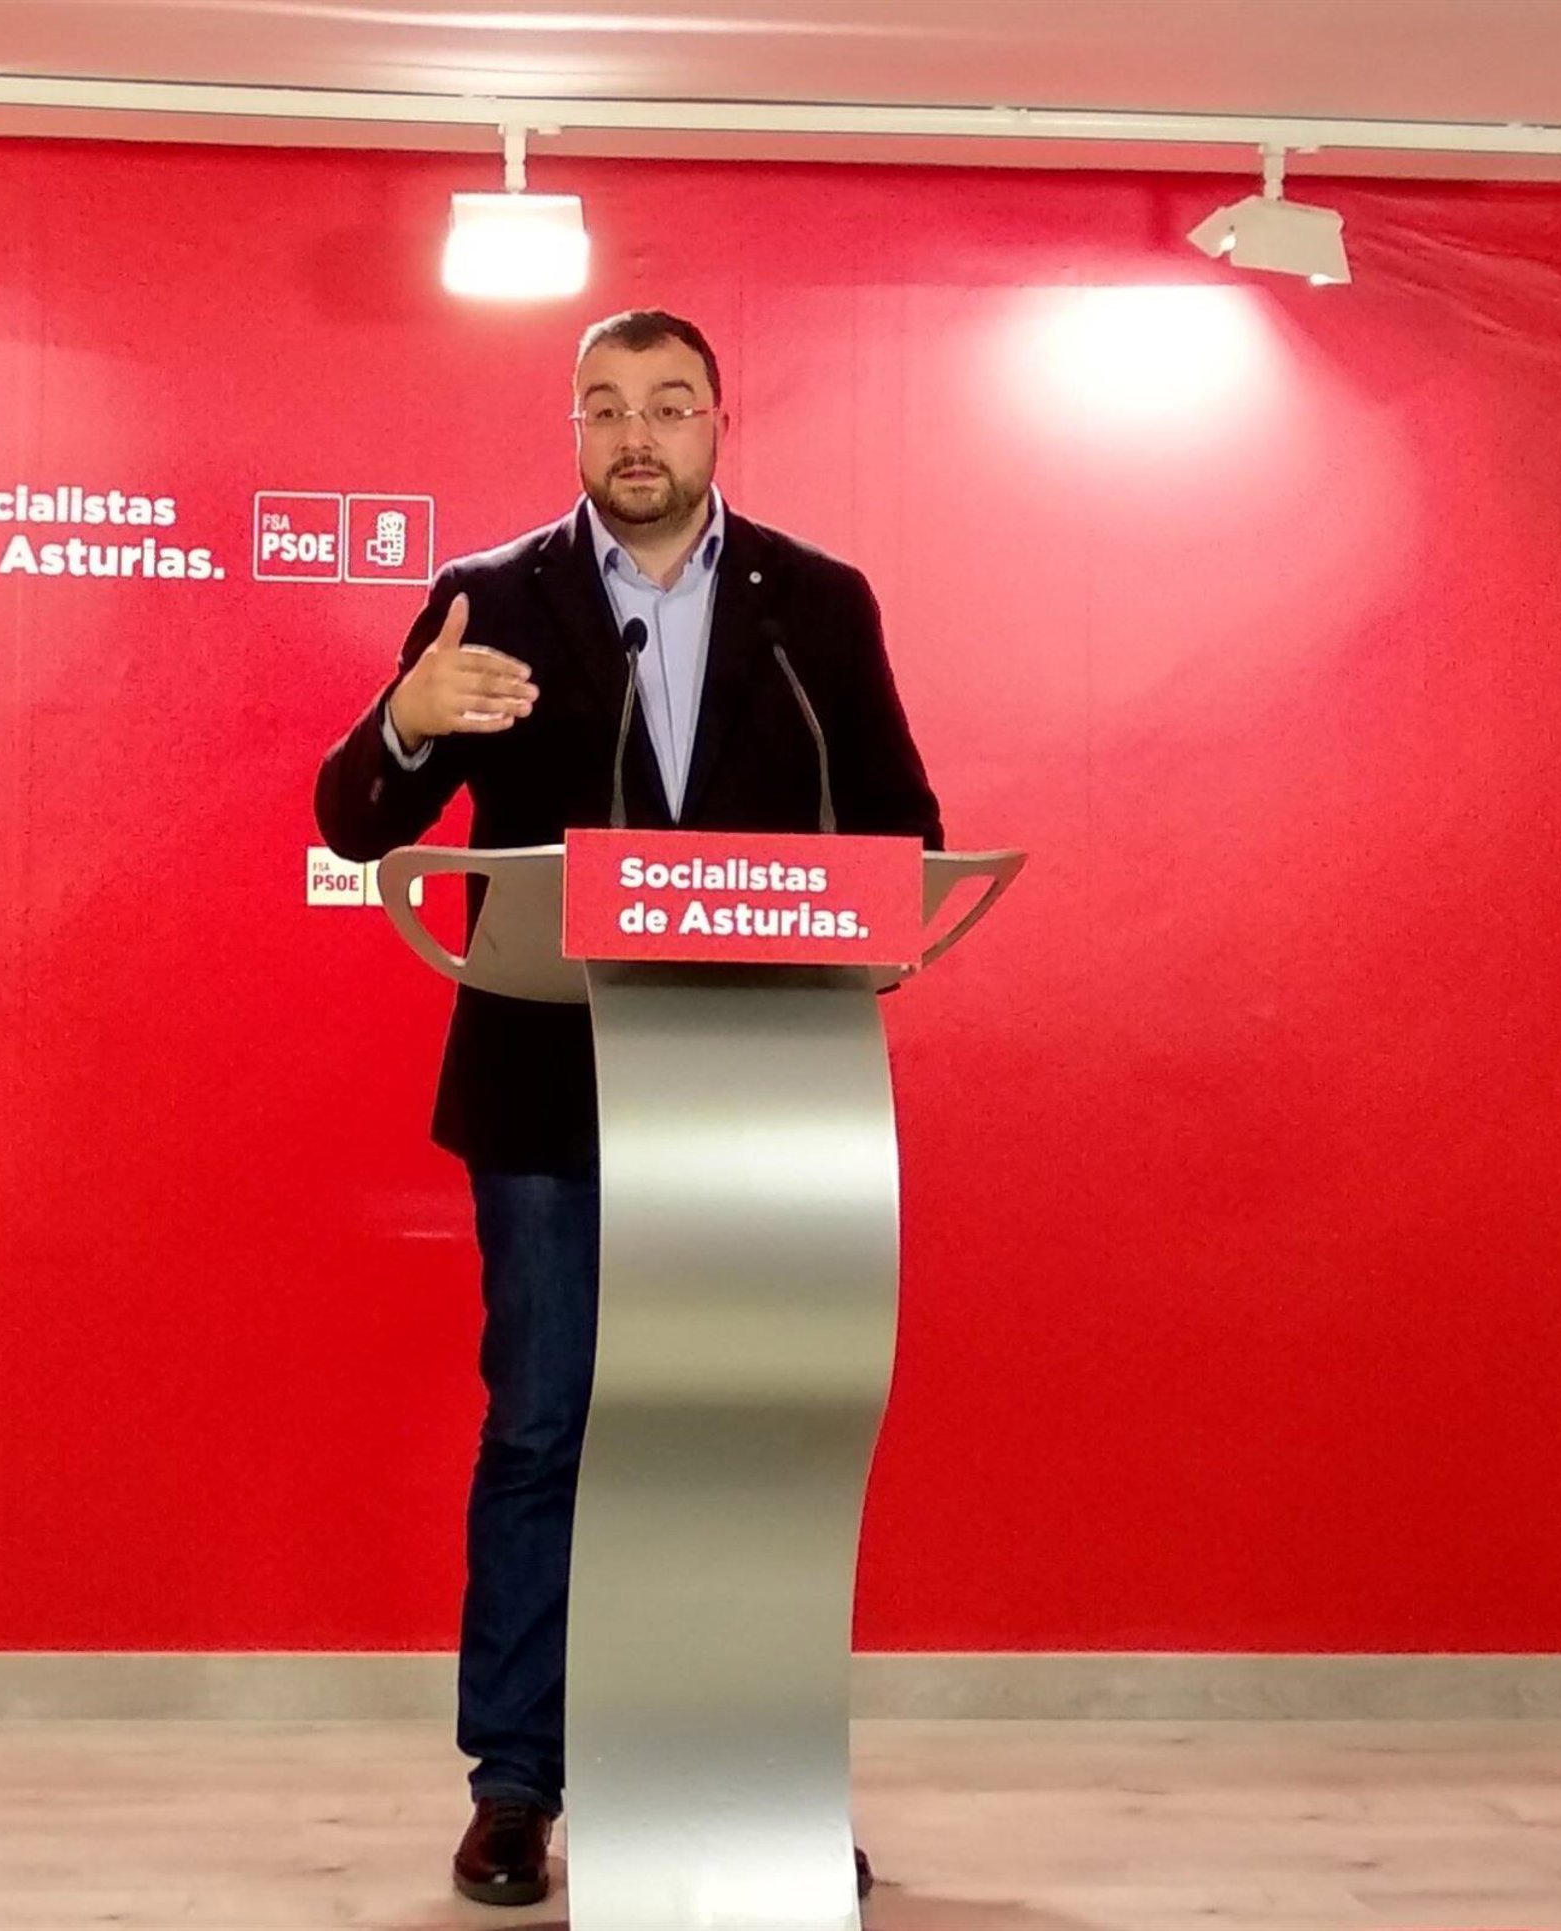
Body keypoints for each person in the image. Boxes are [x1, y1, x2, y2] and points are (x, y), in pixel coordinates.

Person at [315, 308, 942, 1907]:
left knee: (749, 1434)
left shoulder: (817, 604)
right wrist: (406, 722)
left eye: (668, 404)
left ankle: (750, 1775)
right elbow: (356, 821)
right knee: (545, 1429)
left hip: (763, 1099)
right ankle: (516, 1786)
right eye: (604, 407)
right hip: (551, 1094)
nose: (636, 433)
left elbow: (905, 837)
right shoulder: (495, 596)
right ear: (576, 432)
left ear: (721, 421)